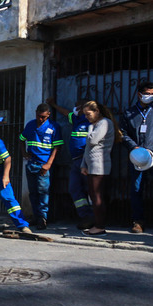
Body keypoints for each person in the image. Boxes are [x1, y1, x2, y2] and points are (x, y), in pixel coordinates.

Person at [47, 97, 95, 229]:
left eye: (78, 107)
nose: (75, 109)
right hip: (75, 161)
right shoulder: (76, 119)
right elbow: (65, 112)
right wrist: (53, 104)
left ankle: (94, 217)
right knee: (74, 188)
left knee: (89, 189)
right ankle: (85, 215)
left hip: (87, 160)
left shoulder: (91, 121)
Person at [19, 103, 63, 229]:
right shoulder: (30, 125)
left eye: (43, 117)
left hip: (44, 165)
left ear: (48, 114)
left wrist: (48, 164)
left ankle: (43, 218)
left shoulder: (54, 127)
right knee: (33, 192)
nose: (40, 119)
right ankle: (35, 216)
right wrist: (24, 152)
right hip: (31, 164)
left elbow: (57, 147)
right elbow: (21, 139)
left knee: (43, 191)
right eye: (39, 116)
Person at [119, 79, 153, 233]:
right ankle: (138, 221)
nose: (149, 96)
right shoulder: (129, 113)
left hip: (152, 155)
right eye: (147, 94)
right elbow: (122, 133)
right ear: (139, 95)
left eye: (152, 94)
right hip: (137, 157)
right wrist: (134, 147)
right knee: (136, 188)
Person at [79, 101, 117, 236]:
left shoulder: (104, 123)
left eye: (88, 114)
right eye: (85, 114)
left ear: (97, 112)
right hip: (91, 165)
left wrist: (90, 128)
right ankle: (98, 224)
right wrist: (83, 164)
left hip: (100, 165)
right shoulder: (95, 125)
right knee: (93, 196)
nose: (86, 117)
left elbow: (92, 141)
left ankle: (100, 227)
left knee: (97, 197)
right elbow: (88, 149)